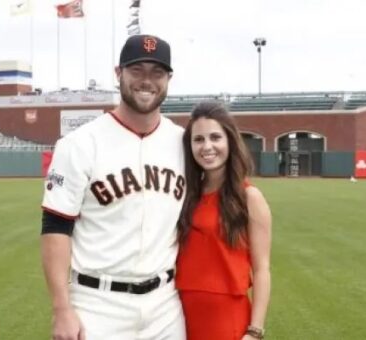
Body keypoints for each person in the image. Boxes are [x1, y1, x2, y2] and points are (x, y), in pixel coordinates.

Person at [40, 34, 186, 340]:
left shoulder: (182, 142)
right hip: (97, 304)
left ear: (169, 79)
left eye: (157, 73)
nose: (147, 81)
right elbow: (55, 227)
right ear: (118, 73)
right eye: (137, 71)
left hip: (165, 306)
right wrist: (61, 309)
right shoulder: (79, 144)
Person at [176, 102, 272, 340]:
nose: (207, 146)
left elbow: (262, 269)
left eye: (215, 137)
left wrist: (255, 331)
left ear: (229, 141)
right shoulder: (185, 195)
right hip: (179, 315)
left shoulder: (250, 197)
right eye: (199, 140)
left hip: (226, 318)